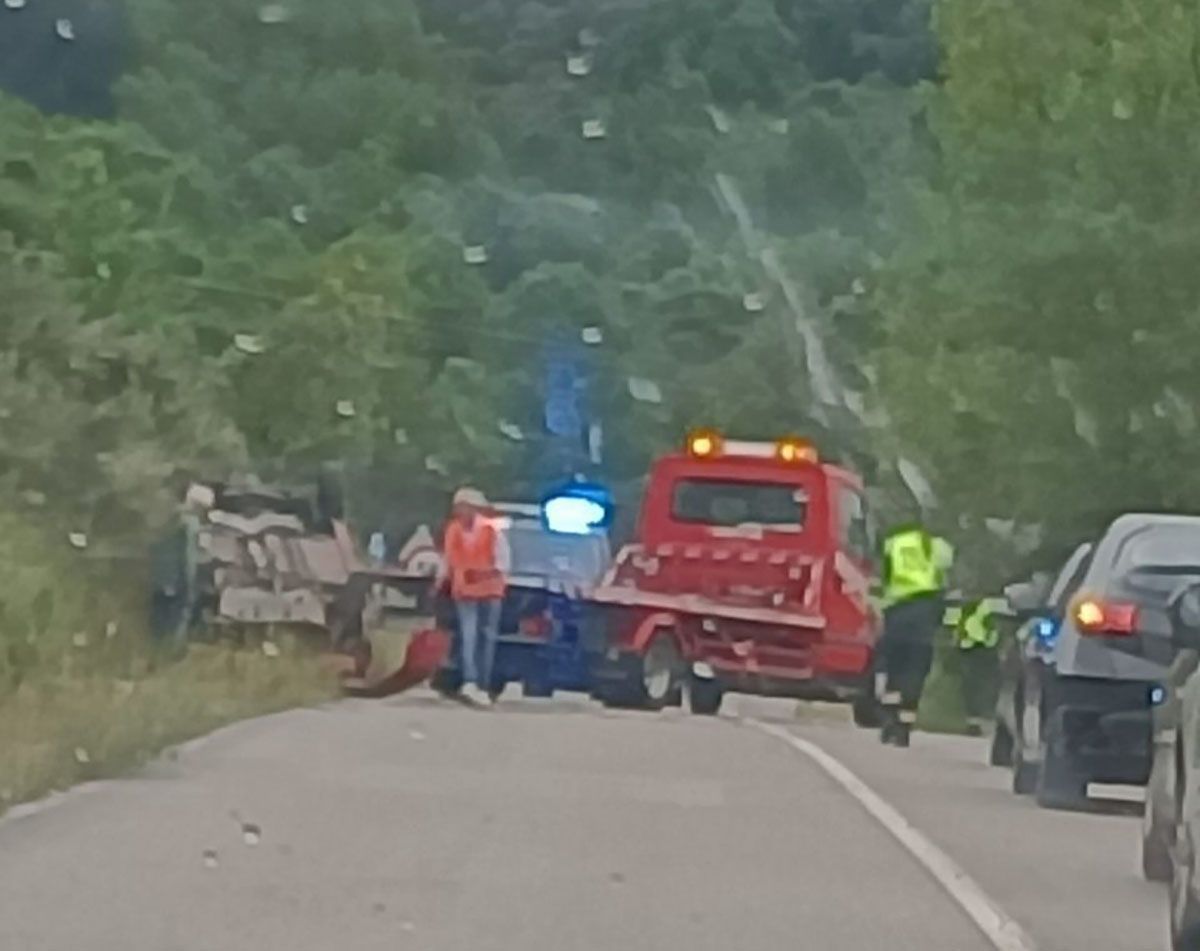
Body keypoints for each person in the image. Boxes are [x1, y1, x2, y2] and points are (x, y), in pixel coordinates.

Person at [878, 522, 950, 747]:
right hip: (924, 613)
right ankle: (903, 727)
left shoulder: (893, 544)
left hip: (897, 612)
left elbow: (885, 577)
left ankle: (889, 719)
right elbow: (944, 579)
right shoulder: (938, 547)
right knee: (915, 674)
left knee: (894, 670)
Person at [437, 487, 510, 706]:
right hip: (465, 592)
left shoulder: (491, 530)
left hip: (490, 592)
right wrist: (440, 581)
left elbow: (503, 563)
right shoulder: (453, 530)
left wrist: (481, 573)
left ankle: (483, 685)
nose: (459, 511)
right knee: (469, 636)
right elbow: (448, 559)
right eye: (457, 507)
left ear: (473, 508)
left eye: (463, 506)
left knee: (486, 640)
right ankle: (470, 681)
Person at [949, 597, 1002, 737]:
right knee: (971, 688)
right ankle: (974, 723)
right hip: (970, 652)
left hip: (983, 651)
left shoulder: (986, 609)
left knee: (982, 688)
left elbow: (993, 629)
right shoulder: (963, 610)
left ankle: (981, 721)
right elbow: (956, 630)